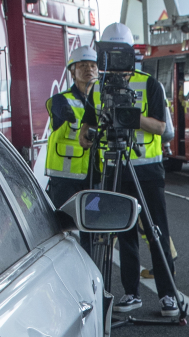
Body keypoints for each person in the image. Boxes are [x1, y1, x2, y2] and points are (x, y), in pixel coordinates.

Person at [95, 23, 178, 317]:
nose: (115, 60)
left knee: (157, 232)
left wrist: (130, 117)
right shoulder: (97, 88)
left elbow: (161, 127)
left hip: (147, 170)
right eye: (109, 53)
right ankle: (131, 292)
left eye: (121, 53)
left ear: (131, 55)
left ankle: (168, 295)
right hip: (114, 168)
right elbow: (90, 126)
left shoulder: (150, 84)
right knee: (124, 232)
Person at [44, 39, 100, 210]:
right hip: (66, 180)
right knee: (65, 221)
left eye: (93, 66)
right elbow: (56, 108)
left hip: (95, 176)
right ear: (72, 72)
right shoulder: (60, 100)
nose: (89, 69)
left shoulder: (103, 101)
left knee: (93, 220)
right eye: (82, 66)